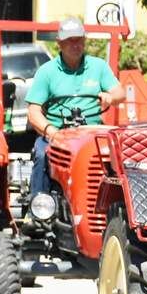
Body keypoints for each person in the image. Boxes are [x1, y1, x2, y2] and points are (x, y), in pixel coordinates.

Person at [25, 17, 124, 197]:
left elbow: (120, 93)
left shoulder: (98, 66)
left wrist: (110, 97)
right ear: (59, 43)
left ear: (84, 40)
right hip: (58, 133)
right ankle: (40, 207)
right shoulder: (46, 72)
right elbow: (34, 112)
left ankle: (114, 202)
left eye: (79, 39)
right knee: (42, 154)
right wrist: (53, 133)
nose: (75, 44)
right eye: (70, 40)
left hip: (92, 133)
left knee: (117, 157)